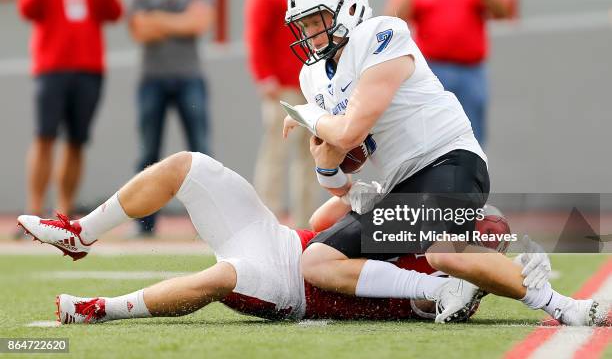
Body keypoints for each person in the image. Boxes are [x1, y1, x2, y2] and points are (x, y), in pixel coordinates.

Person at [282, 0, 605, 325]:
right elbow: (344, 158)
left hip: (448, 161)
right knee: (316, 260)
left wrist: (307, 115)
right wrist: (327, 167)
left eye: (318, 20)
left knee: (445, 253)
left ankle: (562, 305)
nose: (311, 33)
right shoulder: (312, 75)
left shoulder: (381, 33)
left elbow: (347, 133)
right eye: (304, 25)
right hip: (401, 183)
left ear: (350, 8)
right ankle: (439, 290)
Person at [17, 151, 480, 324]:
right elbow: (322, 219)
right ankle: (80, 233)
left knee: (222, 277)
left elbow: (433, 296)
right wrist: (361, 194)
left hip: (289, 288)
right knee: (188, 166)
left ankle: (101, 309)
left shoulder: (438, 278)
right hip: (274, 236)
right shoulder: (416, 218)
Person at [16, 0, 121, 223]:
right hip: (50, 67)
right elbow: (27, 8)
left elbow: (112, 12)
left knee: (76, 141)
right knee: (44, 137)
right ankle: (34, 212)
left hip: (88, 67)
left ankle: (63, 214)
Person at [123, 0, 214, 237]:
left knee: (200, 153)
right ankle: (144, 225)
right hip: (152, 78)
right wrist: (179, 21)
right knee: (147, 153)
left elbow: (198, 24)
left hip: (189, 76)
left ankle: (209, 223)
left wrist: (157, 20)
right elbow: (140, 31)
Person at [385, 0, 512, 145]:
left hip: (471, 71)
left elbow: (504, 12)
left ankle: (472, 174)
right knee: (430, 137)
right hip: (431, 73)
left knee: (473, 136)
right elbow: (392, 21)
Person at [245, 0, 319, 228]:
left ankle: (305, 223)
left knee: (311, 155)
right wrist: (264, 75)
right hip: (283, 85)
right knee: (275, 153)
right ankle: (266, 222)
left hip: (313, 85)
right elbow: (256, 33)